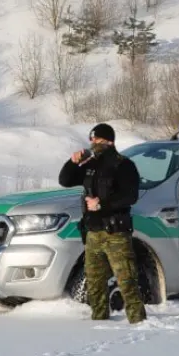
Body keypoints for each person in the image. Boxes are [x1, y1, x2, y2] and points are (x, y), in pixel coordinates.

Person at [58, 123, 147, 324]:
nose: (93, 144)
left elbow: (130, 196)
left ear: (109, 142)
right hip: (93, 233)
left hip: (116, 233)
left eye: (97, 140)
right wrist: (73, 162)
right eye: (92, 140)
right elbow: (65, 180)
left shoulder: (123, 165)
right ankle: (99, 322)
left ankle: (139, 322)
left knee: (127, 281)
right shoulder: (90, 165)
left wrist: (102, 204)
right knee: (95, 283)